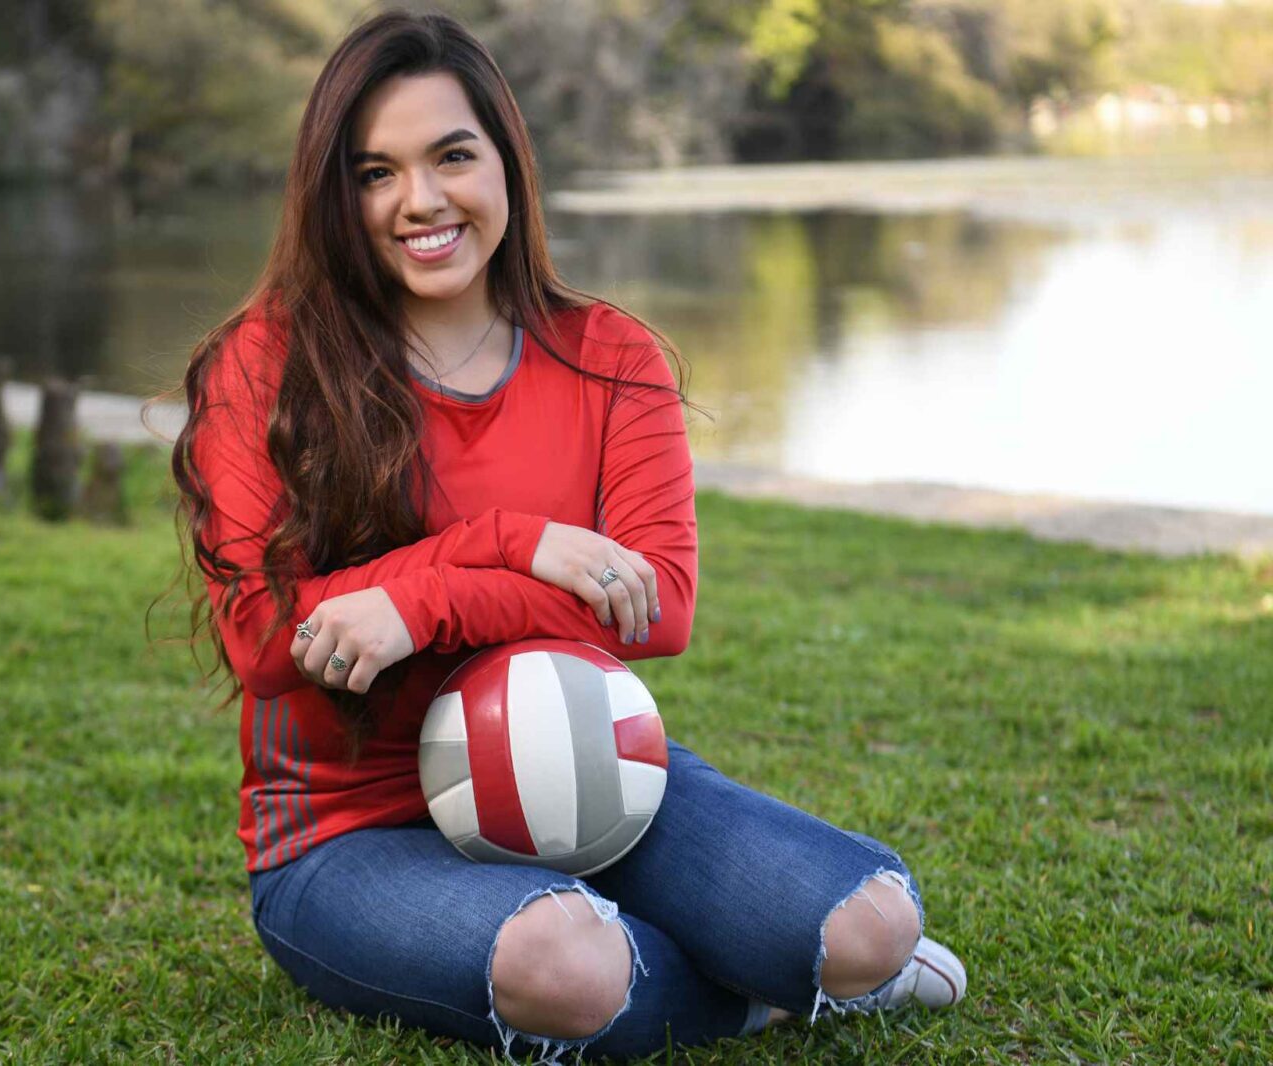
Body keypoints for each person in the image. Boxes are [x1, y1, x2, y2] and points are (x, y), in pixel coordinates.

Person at [168, 10, 967, 1063]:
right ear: (334, 194)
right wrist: (516, 541)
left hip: (585, 780)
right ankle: (743, 993)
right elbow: (270, 638)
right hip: (348, 833)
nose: (420, 201)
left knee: (872, 928)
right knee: (569, 966)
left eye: (452, 155)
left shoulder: (609, 356)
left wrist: (418, 602)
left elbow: (658, 603)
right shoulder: (265, 365)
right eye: (375, 172)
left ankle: (779, 956)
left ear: (507, 159)